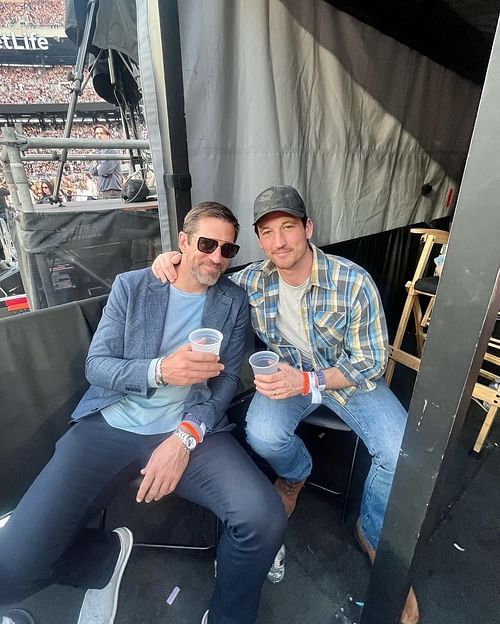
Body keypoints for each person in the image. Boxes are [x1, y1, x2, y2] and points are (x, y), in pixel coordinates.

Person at [0, 201, 286, 624]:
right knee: (10, 573)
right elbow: (97, 366)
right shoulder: (133, 286)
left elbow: (225, 381)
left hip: (190, 429)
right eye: (206, 244)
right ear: (184, 243)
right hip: (111, 425)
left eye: (227, 250)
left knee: (264, 519)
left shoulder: (233, 300)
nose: (216, 257)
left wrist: (186, 435)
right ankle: (104, 556)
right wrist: (161, 370)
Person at [152, 186, 420, 624]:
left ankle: (372, 532)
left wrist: (311, 380)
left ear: (308, 229)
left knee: (398, 450)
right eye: (267, 232)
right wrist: (172, 260)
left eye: (288, 228)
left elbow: (371, 362)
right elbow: (206, 272)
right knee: (261, 432)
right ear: (259, 240)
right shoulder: (252, 280)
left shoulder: (352, 281)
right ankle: (295, 477)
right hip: (287, 380)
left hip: (346, 381)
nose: (279, 241)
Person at [92, 125, 123, 198]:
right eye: (96, 134)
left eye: (101, 133)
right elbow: (92, 171)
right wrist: (99, 167)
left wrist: (98, 168)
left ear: (108, 136)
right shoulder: (99, 151)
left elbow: (105, 171)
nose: (99, 135)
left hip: (112, 190)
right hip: (105, 189)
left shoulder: (111, 149)